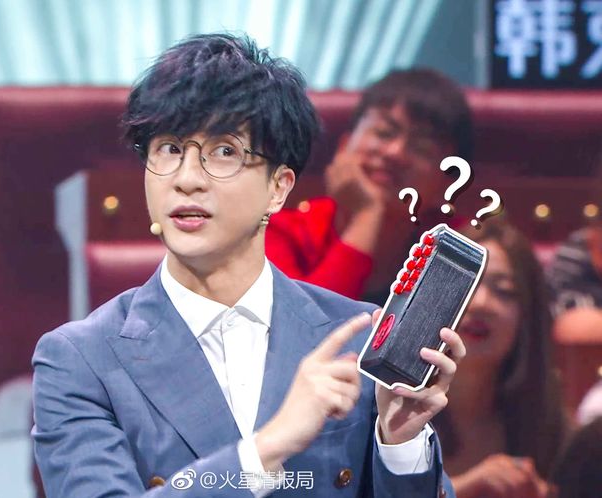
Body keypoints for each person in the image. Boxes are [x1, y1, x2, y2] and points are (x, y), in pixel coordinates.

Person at [31, 34, 465, 497]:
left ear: (278, 188)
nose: (187, 179)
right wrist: (267, 448)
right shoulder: (80, 360)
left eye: (224, 151)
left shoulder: (359, 338)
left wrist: (400, 445)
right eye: (169, 149)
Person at [265, 68, 473, 303]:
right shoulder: (279, 232)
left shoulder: (464, 252)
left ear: (448, 184)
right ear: (344, 146)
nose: (395, 153)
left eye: (422, 148)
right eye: (384, 133)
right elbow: (306, 322)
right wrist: (367, 215)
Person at [434, 220, 567, 498]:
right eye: (469, 283)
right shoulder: (387, 407)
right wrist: (464, 488)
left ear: (528, 317)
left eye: (504, 290)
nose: (481, 303)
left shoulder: (552, 428)